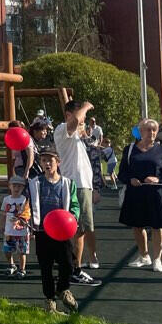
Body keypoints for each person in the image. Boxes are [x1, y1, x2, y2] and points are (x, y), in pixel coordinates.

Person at [120, 119, 162, 271]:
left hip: (157, 195)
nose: (151, 132)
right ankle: (144, 256)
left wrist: (158, 179)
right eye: (148, 129)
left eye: (154, 130)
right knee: (137, 226)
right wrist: (130, 179)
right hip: (135, 195)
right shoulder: (130, 149)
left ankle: (157, 259)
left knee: (158, 227)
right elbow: (122, 173)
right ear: (140, 132)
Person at [54, 99, 100, 282]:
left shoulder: (75, 135)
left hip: (83, 185)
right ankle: (75, 269)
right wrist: (86, 106)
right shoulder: (62, 129)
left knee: (81, 228)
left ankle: (73, 266)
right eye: (82, 116)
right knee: (78, 229)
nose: (83, 120)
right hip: (76, 185)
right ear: (68, 115)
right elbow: (75, 121)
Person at [28, 150, 79, 313]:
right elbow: (28, 205)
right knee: (46, 266)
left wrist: (72, 218)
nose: (47, 163)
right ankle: (50, 299)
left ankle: (63, 289)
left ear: (58, 162)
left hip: (62, 231)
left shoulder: (67, 183)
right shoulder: (35, 183)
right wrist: (26, 220)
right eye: (44, 161)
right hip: (43, 231)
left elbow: (74, 205)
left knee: (68, 263)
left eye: (50, 160)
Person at [0, 175, 31, 277]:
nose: (16, 188)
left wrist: (22, 220)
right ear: (10, 186)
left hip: (22, 231)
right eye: (14, 186)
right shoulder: (6, 199)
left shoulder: (25, 200)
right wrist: (1, 225)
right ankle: (12, 265)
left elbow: (27, 215)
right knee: (7, 250)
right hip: (9, 230)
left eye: (19, 186)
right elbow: (3, 214)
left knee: (22, 251)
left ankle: (22, 269)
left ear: (23, 188)